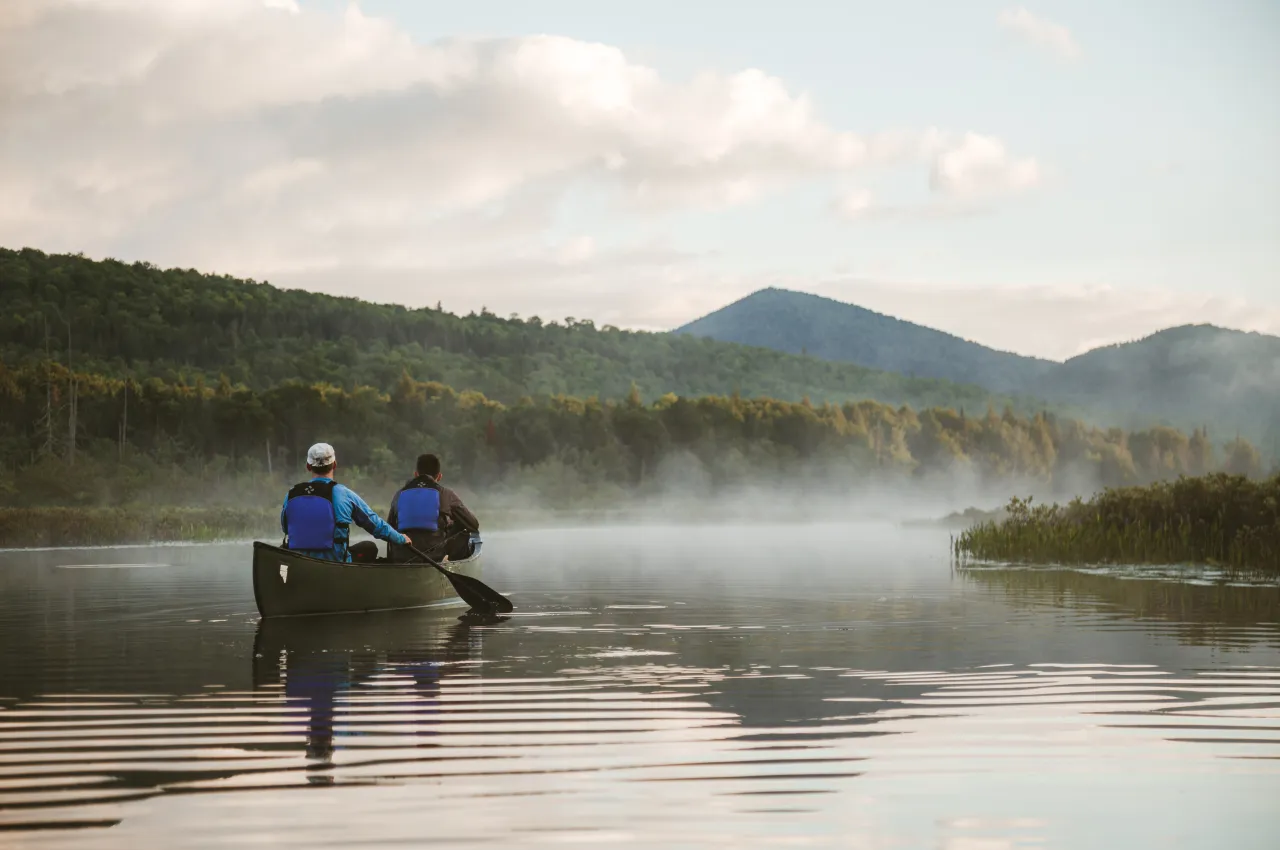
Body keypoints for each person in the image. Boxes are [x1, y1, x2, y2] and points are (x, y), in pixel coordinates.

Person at [281, 443, 410, 562]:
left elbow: (285, 527)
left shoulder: (291, 494)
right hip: (336, 564)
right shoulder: (343, 494)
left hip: (298, 563)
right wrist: (401, 539)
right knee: (369, 547)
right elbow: (375, 525)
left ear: (308, 466)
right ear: (335, 465)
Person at [387, 453, 479, 562]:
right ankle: (454, 564)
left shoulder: (399, 494)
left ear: (416, 474)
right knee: (463, 528)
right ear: (439, 476)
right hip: (434, 557)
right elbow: (473, 524)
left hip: (401, 556)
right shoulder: (446, 494)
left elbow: (389, 528)